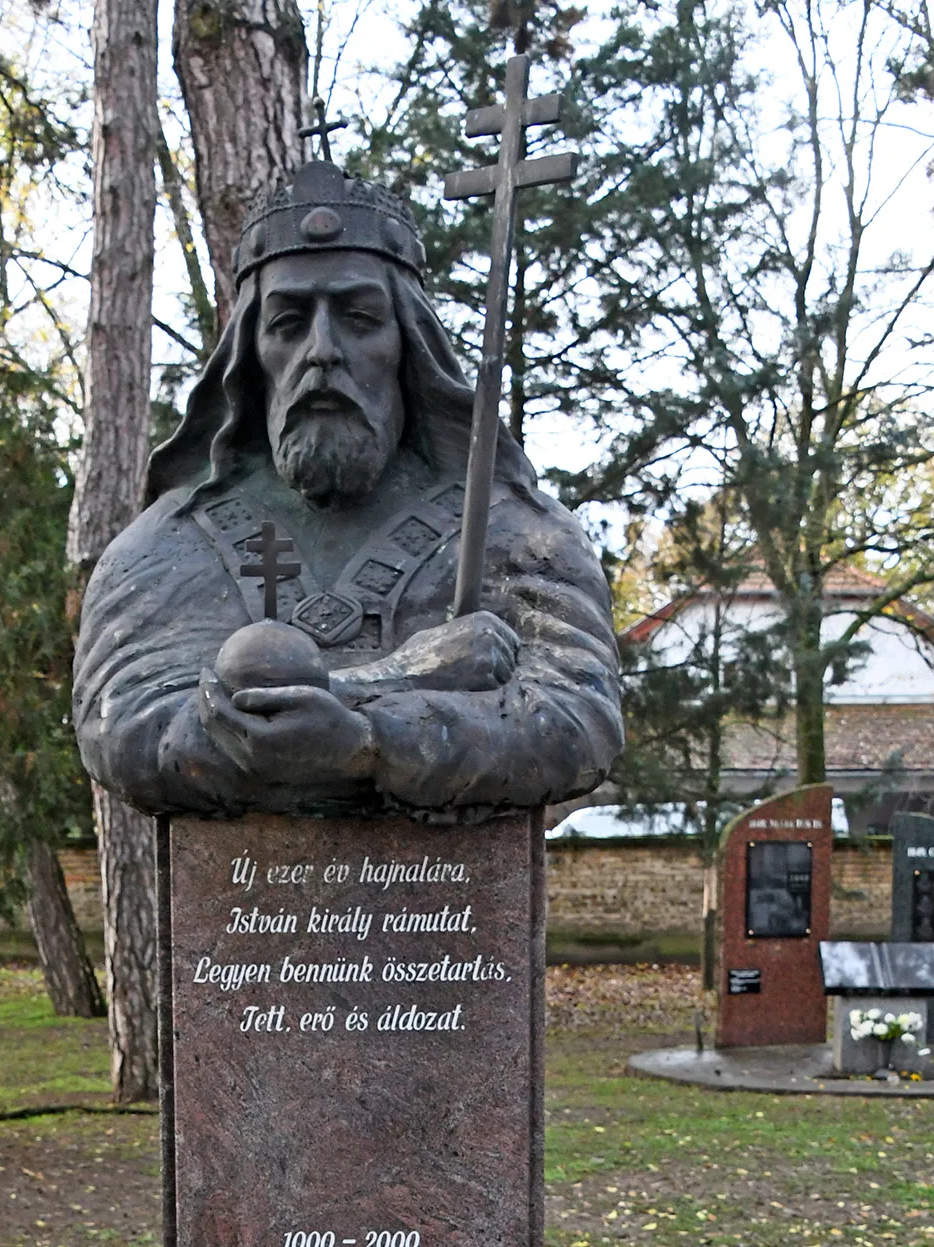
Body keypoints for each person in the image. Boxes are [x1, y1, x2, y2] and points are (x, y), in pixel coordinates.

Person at [72, 159, 623, 822]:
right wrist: (400, 680)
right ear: (250, 352)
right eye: (289, 323)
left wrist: (369, 741)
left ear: (407, 343)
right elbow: (123, 728)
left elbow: (576, 722)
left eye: (360, 319)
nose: (322, 350)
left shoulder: (521, 536)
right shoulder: (163, 549)